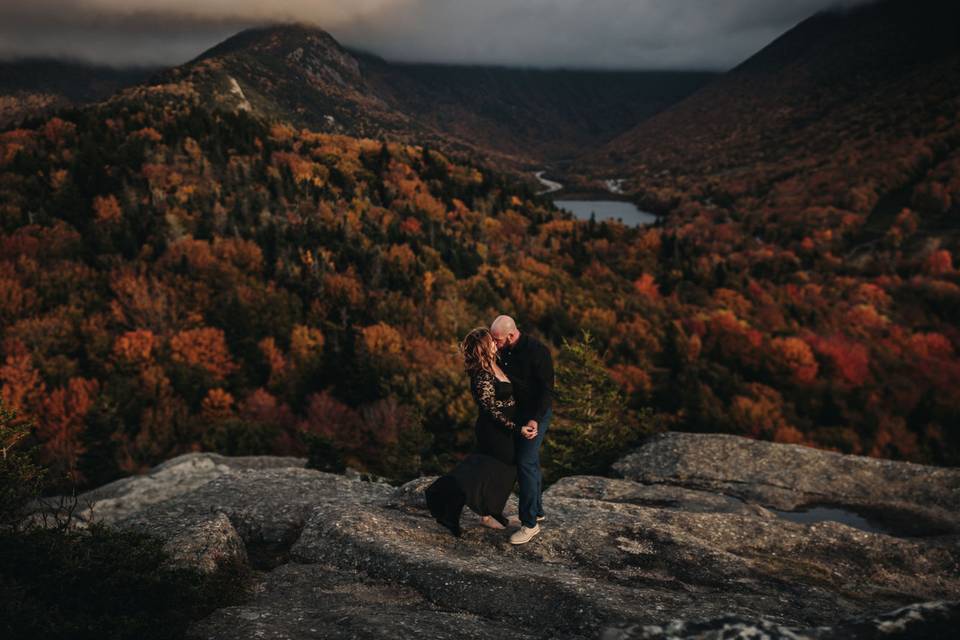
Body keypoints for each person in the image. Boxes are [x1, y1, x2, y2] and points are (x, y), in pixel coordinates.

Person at [425, 328, 536, 537]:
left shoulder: (496, 364)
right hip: (494, 429)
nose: (495, 342)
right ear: (485, 347)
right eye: (491, 341)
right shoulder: (481, 375)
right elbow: (491, 411)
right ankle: (448, 495)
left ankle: (486, 512)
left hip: (505, 427)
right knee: (501, 464)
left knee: (490, 465)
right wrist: (517, 427)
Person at [490, 315, 554, 545]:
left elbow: (547, 391)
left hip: (535, 414)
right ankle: (536, 510)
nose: (494, 343)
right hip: (515, 413)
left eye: (497, 339)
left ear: (511, 334)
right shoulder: (502, 348)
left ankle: (529, 525)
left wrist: (535, 420)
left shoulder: (538, 351)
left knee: (525, 462)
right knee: (530, 460)